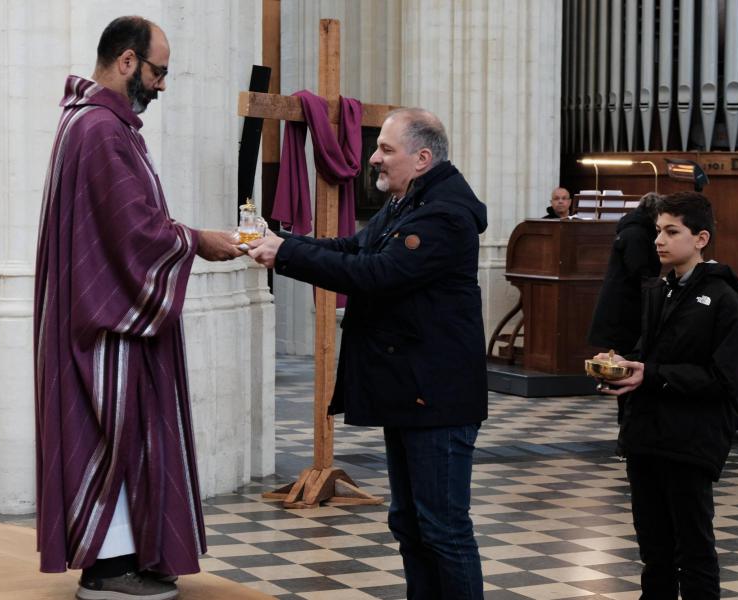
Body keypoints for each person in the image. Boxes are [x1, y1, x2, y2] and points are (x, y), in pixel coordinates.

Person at [33, 16, 241, 600]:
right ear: (127, 62)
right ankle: (108, 566)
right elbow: (133, 232)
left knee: (133, 430)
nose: (163, 85)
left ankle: (138, 554)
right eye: (159, 71)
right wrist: (199, 240)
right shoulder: (99, 129)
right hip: (104, 322)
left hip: (108, 311)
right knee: (113, 430)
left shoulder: (98, 123)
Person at [248, 108, 489, 600]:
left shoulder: (443, 214)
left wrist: (286, 255)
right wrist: (280, 242)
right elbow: (355, 249)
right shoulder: (408, 202)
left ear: (422, 158)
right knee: (408, 521)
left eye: (386, 149)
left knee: (443, 528)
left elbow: (377, 274)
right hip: (411, 389)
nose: (373, 158)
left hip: (437, 396)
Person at [595, 192, 738, 599]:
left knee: (694, 549)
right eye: (657, 231)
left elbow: (725, 378)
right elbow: (652, 356)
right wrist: (625, 369)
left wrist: (652, 374)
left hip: (690, 438)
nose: (659, 240)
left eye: (671, 231)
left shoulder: (724, 297)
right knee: (654, 552)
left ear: (700, 238)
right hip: (647, 435)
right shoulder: (659, 289)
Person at [588, 192, 662, 354]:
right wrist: (657, 286)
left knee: (621, 350)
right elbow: (638, 269)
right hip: (625, 303)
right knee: (623, 352)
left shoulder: (632, 230)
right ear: (655, 214)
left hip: (621, 300)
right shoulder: (637, 233)